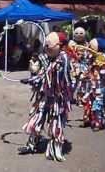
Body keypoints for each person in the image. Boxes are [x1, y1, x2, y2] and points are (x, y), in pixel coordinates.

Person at [18, 32, 73, 162]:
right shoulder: (48, 58)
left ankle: (55, 149)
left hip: (58, 99)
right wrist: (32, 79)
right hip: (45, 95)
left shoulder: (63, 59)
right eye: (46, 45)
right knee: (36, 119)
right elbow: (43, 75)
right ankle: (31, 144)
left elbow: (62, 80)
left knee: (56, 123)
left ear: (60, 46)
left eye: (50, 45)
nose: (47, 47)